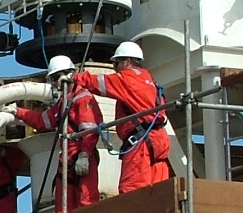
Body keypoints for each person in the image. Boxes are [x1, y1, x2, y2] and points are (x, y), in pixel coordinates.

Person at [71, 40, 171, 193]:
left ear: (127, 61)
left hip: (141, 144)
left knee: (132, 193)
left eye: (116, 63)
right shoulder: (149, 80)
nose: (114, 68)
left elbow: (97, 82)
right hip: (159, 142)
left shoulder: (127, 79)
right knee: (159, 193)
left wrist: (74, 77)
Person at [13, 55, 103, 213]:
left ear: (69, 75)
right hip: (66, 162)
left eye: (57, 77)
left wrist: (84, 155)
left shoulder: (83, 98)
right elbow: (43, 121)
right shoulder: (63, 103)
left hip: (81, 158)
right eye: (53, 79)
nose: (56, 83)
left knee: (87, 204)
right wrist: (18, 112)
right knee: (63, 210)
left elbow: (90, 130)